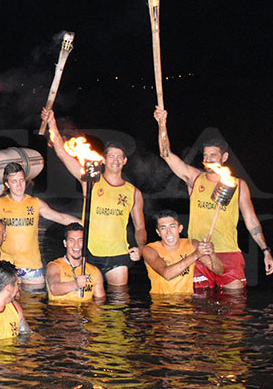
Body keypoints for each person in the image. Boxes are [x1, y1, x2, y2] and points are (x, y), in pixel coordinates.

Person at [154, 107, 272, 288]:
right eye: (206, 155)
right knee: (200, 303)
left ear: (224, 157)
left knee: (235, 301)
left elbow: (251, 220)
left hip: (228, 252)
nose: (208, 159)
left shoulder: (238, 185)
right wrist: (162, 124)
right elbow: (166, 154)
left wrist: (265, 250)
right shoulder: (194, 178)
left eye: (213, 155)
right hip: (198, 252)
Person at [44, 110, 146, 286]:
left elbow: (140, 227)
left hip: (118, 255)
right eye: (111, 156)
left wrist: (141, 248)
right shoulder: (90, 181)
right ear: (104, 159)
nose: (115, 160)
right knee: (91, 299)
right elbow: (61, 152)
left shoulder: (134, 192)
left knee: (119, 299)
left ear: (124, 161)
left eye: (119, 157)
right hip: (89, 254)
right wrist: (52, 122)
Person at [0, 163, 80, 287]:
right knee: (7, 297)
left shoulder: (35, 203)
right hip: (8, 266)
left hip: (32, 267)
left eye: (21, 180)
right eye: (14, 181)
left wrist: (85, 224)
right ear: (7, 184)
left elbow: (60, 217)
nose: (19, 185)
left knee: (35, 298)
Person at [143, 210, 224, 294]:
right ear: (158, 232)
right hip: (161, 300)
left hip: (186, 300)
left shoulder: (192, 244)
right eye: (163, 228)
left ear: (180, 228)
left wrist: (212, 254)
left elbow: (219, 271)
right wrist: (196, 255)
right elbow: (167, 275)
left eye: (172, 227)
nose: (168, 232)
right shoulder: (149, 249)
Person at [46, 223, 106, 302]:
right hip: (60, 308)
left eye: (80, 240)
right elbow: (54, 289)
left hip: (85, 309)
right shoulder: (54, 266)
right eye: (71, 240)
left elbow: (100, 301)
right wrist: (75, 284)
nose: (76, 245)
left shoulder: (95, 272)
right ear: (65, 243)